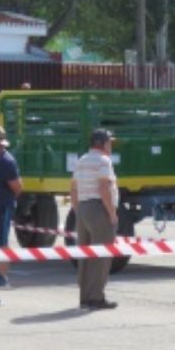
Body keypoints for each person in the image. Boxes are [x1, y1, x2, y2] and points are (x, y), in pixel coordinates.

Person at [69, 128, 119, 310]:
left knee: (86, 254)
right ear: (102, 143)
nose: (111, 144)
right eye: (109, 141)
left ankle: (84, 297)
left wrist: (78, 210)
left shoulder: (82, 160)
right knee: (102, 255)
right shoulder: (103, 161)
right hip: (99, 208)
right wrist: (112, 213)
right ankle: (96, 297)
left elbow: (73, 188)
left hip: (83, 207)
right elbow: (104, 188)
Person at [0, 126, 22, 287]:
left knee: (1, 241)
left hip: (2, 206)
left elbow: (17, 187)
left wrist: (6, 200)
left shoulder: (7, 162)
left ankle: (2, 275)